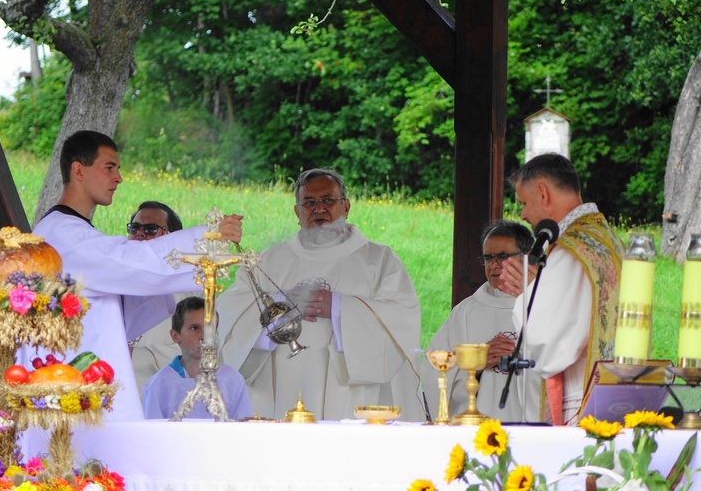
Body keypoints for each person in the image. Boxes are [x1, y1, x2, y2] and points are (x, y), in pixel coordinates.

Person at [27, 130, 243, 421]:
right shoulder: (61, 233)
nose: (118, 178)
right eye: (109, 167)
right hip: (67, 379)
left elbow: (124, 286)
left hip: (81, 375)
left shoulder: (75, 231)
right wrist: (206, 237)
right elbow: (129, 260)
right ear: (78, 170)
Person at [216, 168, 423, 421]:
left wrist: (337, 307)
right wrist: (281, 304)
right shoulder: (267, 261)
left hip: (350, 394)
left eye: (328, 200)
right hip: (283, 388)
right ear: (297, 212)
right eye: (309, 203)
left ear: (346, 206)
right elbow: (228, 316)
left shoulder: (380, 261)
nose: (319, 209)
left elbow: (402, 319)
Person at [499, 153, 623, 426]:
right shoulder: (606, 239)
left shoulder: (571, 250)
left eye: (524, 202)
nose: (523, 214)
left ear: (543, 193)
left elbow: (548, 348)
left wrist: (528, 293)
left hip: (582, 404)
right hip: (616, 394)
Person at [423, 220, 541, 422]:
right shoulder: (466, 312)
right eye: (488, 257)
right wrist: (475, 364)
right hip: (477, 429)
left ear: (526, 259)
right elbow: (433, 372)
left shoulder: (542, 304)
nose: (494, 265)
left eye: (502, 256)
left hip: (533, 423)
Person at [143, 296, 253, 420]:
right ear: (175, 336)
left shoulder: (233, 380)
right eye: (195, 328)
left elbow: (245, 431)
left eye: (210, 328)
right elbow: (152, 435)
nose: (204, 336)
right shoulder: (157, 386)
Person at [125, 201, 190, 397]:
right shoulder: (112, 283)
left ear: (173, 239)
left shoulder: (186, 290)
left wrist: (135, 355)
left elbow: (196, 351)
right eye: (134, 228)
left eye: (151, 229)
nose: (140, 234)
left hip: (161, 398)